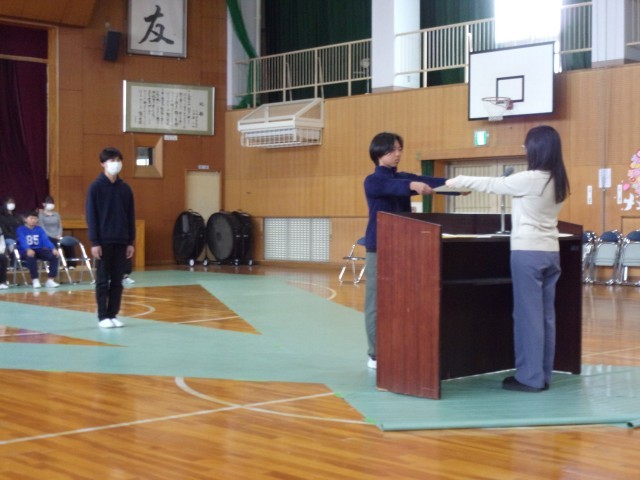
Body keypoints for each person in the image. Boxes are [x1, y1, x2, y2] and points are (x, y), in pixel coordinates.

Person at [446, 125, 570, 393]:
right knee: (545, 318)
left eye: (527, 145)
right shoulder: (559, 179)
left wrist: (459, 180)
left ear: (537, 149)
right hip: (551, 252)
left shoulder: (531, 178)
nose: (524, 149)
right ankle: (542, 375)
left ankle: (529, 378)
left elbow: (493, 185)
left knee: (528, 317)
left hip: (527, 253)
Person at [363, 132, 450, 370]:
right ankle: (375, 354)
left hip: (403, 248)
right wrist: (412, 185)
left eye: (400, 149)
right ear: (379, 152)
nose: (398, 154)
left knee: (403, 299)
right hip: (379, 248)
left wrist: (454, 186)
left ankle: (399, 345)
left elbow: (426, 180)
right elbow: (393, 186)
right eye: (393, 150)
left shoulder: (402, 177)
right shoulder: (373, 181)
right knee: (376, 302)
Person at [86, 147, 136, 329]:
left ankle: (113, 314)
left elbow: (130, 216)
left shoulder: (125, 188)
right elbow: (92, 216)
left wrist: (130, 241)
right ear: (103, 164)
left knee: (117, 280)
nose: (116, 164)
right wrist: (95, 242)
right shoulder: (96, 187)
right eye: (112, 160)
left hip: (121, 240)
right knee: (102, 280)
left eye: (118, 160)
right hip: (103, 241)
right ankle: (102, 316)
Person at [16, 210, 60, 289]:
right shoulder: (20, 229)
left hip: (39, 249)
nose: (33, 220)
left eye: (35, 218)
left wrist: (53, 248)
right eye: (31, 218)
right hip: (25, 251)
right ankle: (35, 279)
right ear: (25, 219)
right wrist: (28, 249)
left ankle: (50, 279)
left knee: (54, 256)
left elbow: (45, 240)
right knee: (31, 257)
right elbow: (22, 240)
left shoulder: (39, 229)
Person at [39, 195, 76, 266]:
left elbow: (60, 226)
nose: (50, 204)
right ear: (43, 204)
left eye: (52, 203)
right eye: (48, 202)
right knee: (53, 243)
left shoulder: (56, 214)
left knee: (68, 244)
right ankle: (56, 264)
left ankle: (71, 265)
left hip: (58, 236)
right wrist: (53, 236)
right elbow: (42, 228)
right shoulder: (41, 215)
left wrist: (59, 234)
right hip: (47, 237)